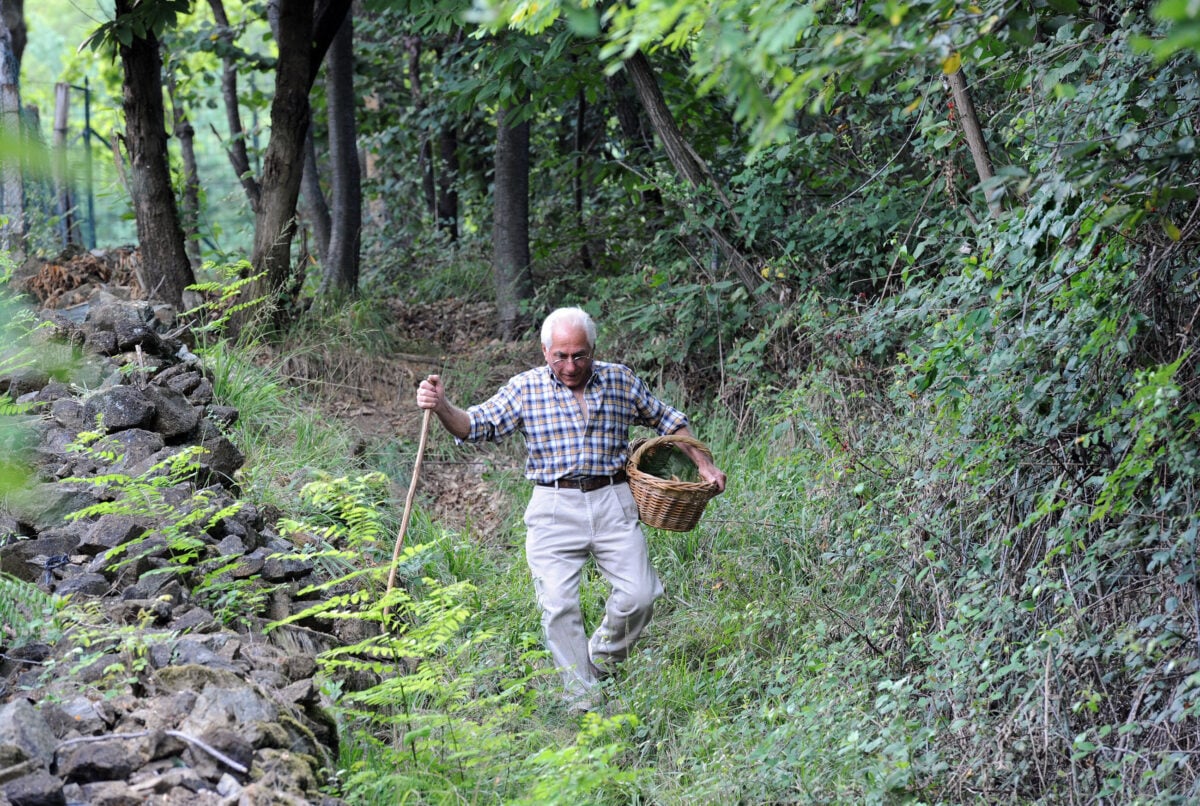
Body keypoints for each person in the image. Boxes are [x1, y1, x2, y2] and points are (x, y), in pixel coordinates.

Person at [416, 306, 726, 711]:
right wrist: (441, 406)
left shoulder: (620, 380)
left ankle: (599, 658)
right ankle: (582, 701)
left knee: (642, 593)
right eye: (560, 355)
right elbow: (474, 426)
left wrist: (703, 462)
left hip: (613, 498)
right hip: (553, 505)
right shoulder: (525, 389)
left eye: (579, 355)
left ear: (592, 350)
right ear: (545, 351)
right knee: (558, 605)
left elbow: (668, 420)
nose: (570, 365)